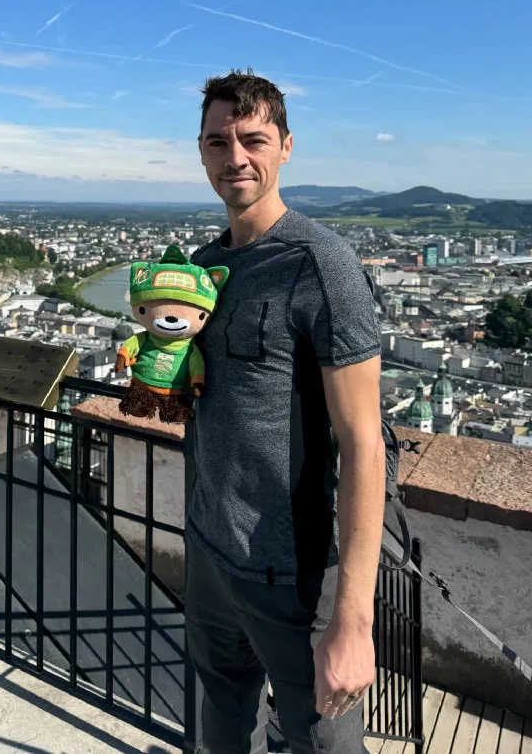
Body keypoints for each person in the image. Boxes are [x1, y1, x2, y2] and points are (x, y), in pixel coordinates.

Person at [186, 69, 385, 754]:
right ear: (201, 151)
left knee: (323, 743)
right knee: (220, 728)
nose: (235, 157)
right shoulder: (203, 267)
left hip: (293, 574)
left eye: (254, 140)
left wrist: (353, 621)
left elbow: (364, 443)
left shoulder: (320, 264)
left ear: (287, 147)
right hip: (210, 551)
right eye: (219, 141)